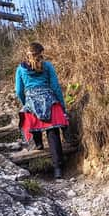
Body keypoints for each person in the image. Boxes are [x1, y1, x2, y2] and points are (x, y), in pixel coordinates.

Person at [15, 42, 68, 179]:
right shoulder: (48, 66)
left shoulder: (20, 69)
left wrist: (25, 102)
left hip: (31, 100)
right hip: (49, 100)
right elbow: (55, 86)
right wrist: (62, 106)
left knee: (30, 118)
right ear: (41, 53)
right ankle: (58, 170)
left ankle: (38, 143)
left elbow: (19, 90)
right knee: (53, 131)